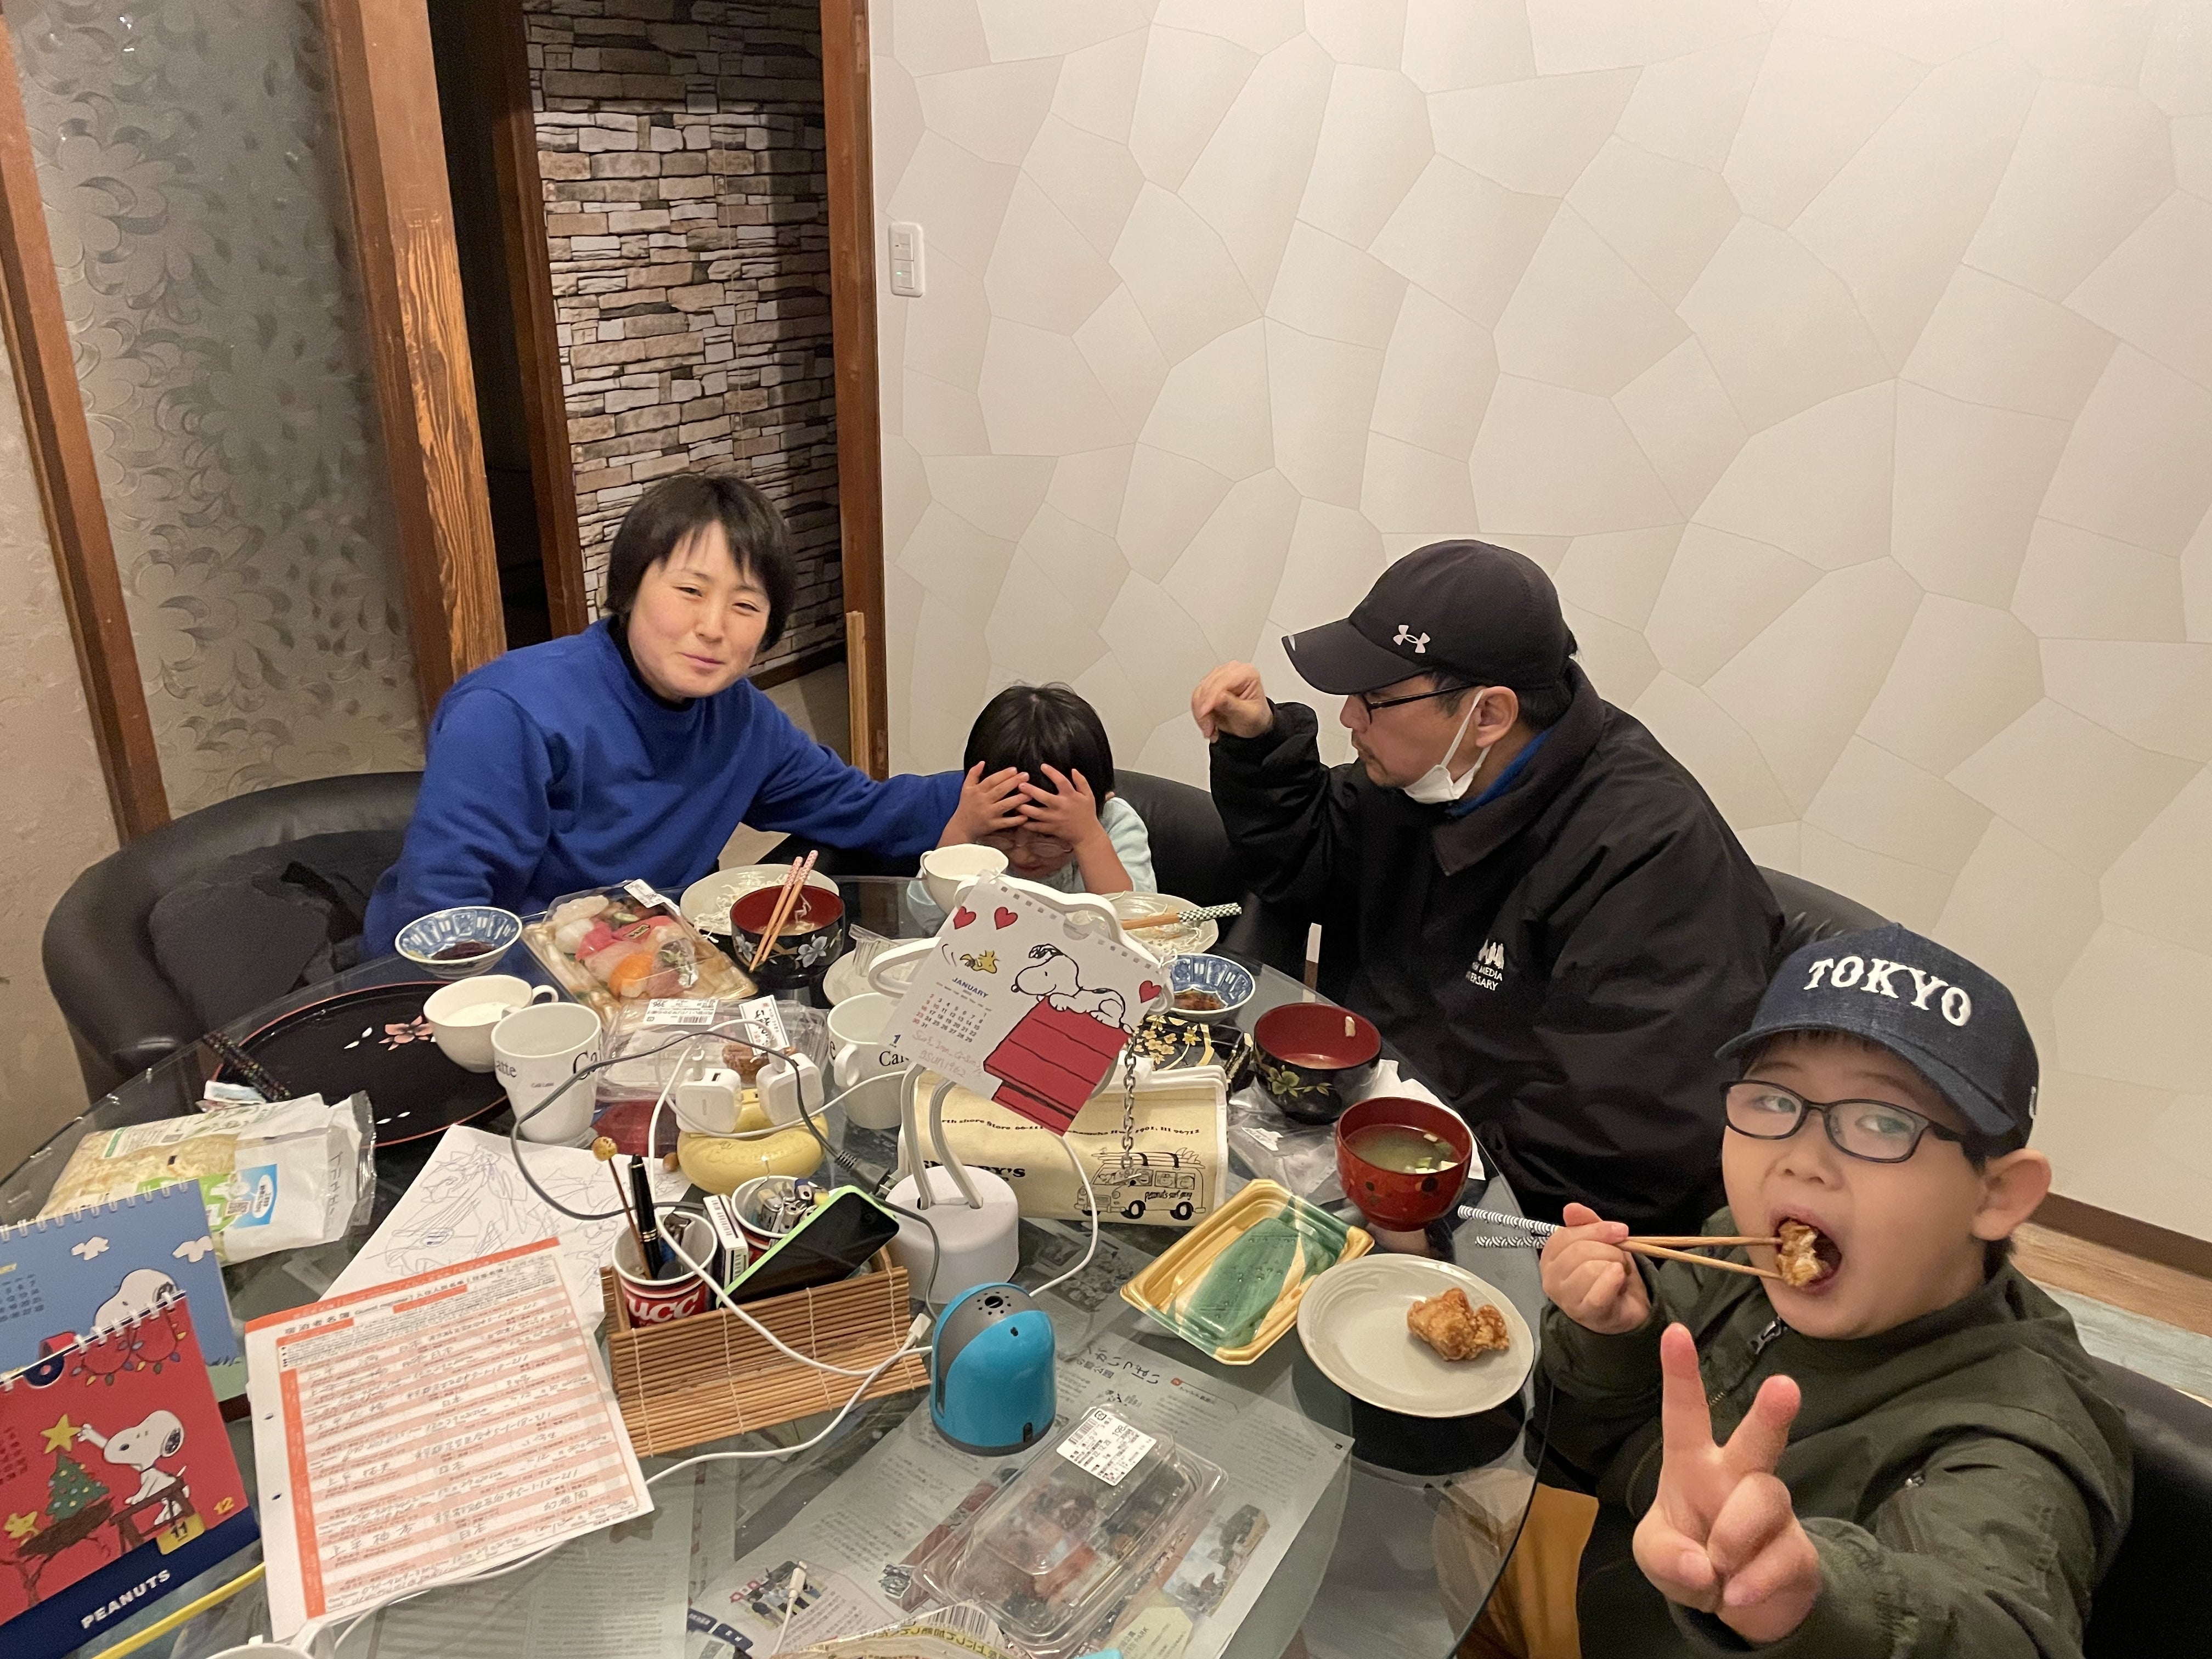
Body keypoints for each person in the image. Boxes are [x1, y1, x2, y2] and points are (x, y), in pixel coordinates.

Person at [1460, 924, 2129, 1658]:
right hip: (1599, 1574)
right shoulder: (1739, 1245)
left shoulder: (2016, 1433)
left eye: (1883, 1122)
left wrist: (1816, 1602)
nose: (1800, 1160)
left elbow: (1996, 1622)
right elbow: (1593, 1446)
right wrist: (1616, 1335)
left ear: (1996, 1194)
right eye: (1776, 1102)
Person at [1192, 541, 1778, 1231]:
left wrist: (1414, 1206)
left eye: (1375, 700)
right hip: (1369, 1134)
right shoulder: (1429, 775)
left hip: (1503, 1212)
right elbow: (1310, 862)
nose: (1349, 718)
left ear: (1489, 715)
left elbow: (1613, 1143)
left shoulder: (1652, 858)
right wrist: (1259, 746)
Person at [365, 472, 990, 954]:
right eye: (690, 591)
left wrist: (988, 796)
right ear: (629, 588)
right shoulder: (508, 713)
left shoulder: (740, 719)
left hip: (666, 966)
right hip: (511, 987)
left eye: (745, 606)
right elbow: (442, 920)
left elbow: (856, 807)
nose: (712, 627)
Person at [908, 683, 1156, 932]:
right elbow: (926, 914)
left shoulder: (1114, 824)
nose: (1022, 856)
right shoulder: (976, 822)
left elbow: (1136, 927)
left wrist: (1089, 839)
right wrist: (962, 830)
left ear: (1099, 805)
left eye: (1047, 838)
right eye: (1003, 836)